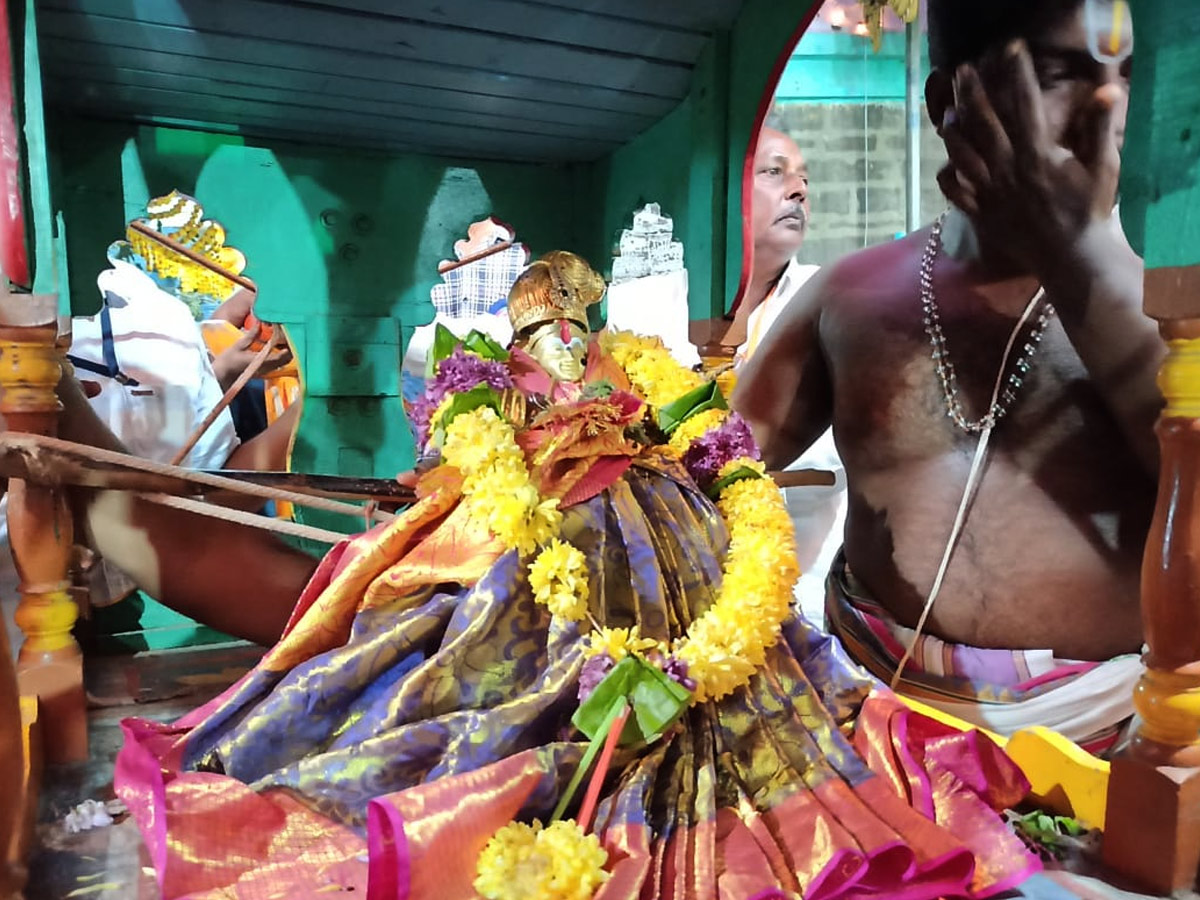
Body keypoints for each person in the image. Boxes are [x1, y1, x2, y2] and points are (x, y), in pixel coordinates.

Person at [103, 253, 1035, 899]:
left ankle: (669, 698)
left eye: (567, 315)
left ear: (585, 315)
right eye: (542, 316)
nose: (558, 331)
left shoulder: (638, 365)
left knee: (744, 651)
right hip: (547, 534)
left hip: (671, 534)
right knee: (457, 630)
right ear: (522, 323)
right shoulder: (489, 381)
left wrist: (689, 457)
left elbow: (716, 442)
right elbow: (468, 453)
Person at [735, 0, 1156, 753]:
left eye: (1127, 76)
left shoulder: (1170, 291)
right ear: (947, 104)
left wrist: (1075, 253)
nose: (1109, 107)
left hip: (1104, 745)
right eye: (1060, 74)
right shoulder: (849, 294)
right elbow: (708, 468)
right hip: (857, 714)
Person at [736, 124, 847, 625]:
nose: (799, 190)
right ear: (731, 188)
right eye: (775, 172)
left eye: (803, 178)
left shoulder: (832, 302)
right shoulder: (654, 300)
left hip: (812, 596)